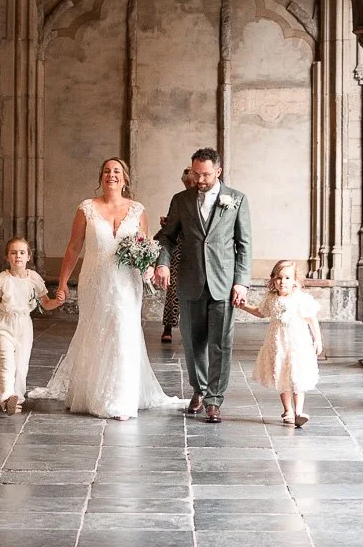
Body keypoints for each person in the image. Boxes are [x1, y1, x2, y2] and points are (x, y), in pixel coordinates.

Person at [33, 157, 186, 419]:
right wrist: (61, 284)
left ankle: (121, 399)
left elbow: (146, 245)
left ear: (125, 179)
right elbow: (73, 248)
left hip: (127, 282)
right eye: (106, 171)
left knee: (124, 330)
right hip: (95, 280)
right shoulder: (86, 209)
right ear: (100, 178)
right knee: (96, 330)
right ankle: (92, 393)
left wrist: (149, 266)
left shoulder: (138, 209)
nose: (111, 175)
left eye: (116, 171)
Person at [153, 147, 252, 423]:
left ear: (218, 171)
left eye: (206, 174)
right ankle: (199, 390)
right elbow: (166, 237)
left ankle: (214, 399)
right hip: (190, 280)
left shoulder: (237, 199)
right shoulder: (181, 200)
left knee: (221, 343)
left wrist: (241, 282)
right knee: (192, 342)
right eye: (196, 173)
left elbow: (244, 244)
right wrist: (162, 263)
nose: (200, 179)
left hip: (223, 281)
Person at [237, 258, 322, 427]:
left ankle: (299, 411)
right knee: (282, 375)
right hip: (278, 344)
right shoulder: (271, 298)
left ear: (295, 281)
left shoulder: (300, 299)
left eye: (287, 278)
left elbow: (312, 319)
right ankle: (288, 410)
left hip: (297, 345)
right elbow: (261, 312)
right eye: (279, 277)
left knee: (297, 376)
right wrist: (244, 306)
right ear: (273, 280)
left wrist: (318, 339)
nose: (283, 282)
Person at [0, 236, 57, 412]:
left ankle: (17, 398)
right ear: (7, 257)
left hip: (24, 325)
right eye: (13, 253)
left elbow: (45, 303)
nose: (18, 256)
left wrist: (58, 302)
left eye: (22, 253)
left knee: (21, 365)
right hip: (4, 325)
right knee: (7, 363)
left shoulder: (34, 279)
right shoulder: (2, 279)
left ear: (28, 257)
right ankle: (6, 398)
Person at [160, 165, 194, 345]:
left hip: (196, 249)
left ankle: (191, 329)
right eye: (186, 182)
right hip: (179, 247)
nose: (189, 184)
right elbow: (172, 221)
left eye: (192, 181)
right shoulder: (179, 200)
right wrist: (166, 221)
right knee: (173, 288)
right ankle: (168, 327)